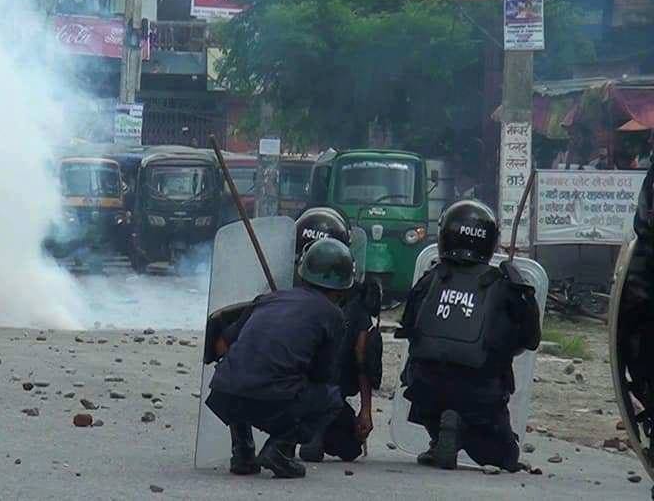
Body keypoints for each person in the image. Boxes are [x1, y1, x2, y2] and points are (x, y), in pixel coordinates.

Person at [396, 200, 540, 471]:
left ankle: (440, 435)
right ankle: (458, 427)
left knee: (426, 381)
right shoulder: (505, 284)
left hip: (427, 390)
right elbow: (531, 340)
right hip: (480, 395)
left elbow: (407, 327)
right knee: (506, 458)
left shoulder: (431, 277)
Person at [205, 238, 356, 479]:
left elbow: (227, 341)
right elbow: (323, 375)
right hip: (268, 399)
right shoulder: (333, 315)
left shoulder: (268, 299)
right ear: (342, 287)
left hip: (224, 392)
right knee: (330, 398)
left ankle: (242, 452)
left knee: (242, 376)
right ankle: (280, 450)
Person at [292, 207, 378, 463]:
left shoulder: (280, 294)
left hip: (274, 388)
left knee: (349, 445)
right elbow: (364, 357)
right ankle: (301, 434)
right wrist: (366, 410)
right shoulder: (352, 303)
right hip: (321, 393)